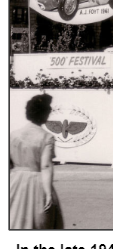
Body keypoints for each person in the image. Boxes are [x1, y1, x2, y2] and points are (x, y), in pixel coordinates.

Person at [10, 94, 64, 229]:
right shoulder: (46, 137)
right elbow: (45, 166)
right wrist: (48, 193)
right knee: (39, 221)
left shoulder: (13, 135)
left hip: (14, 181)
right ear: (44, 114)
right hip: (37, 182)